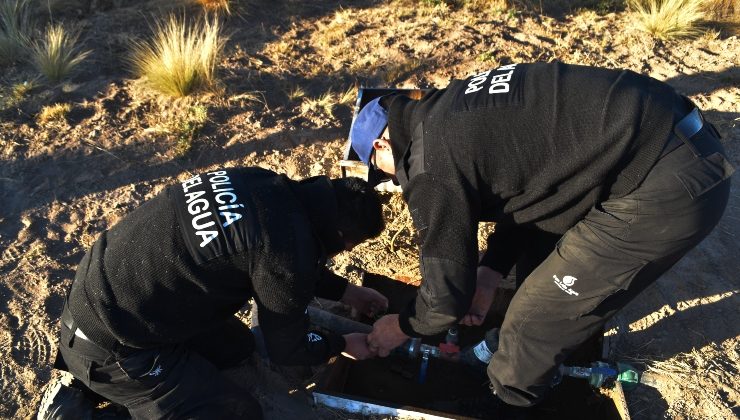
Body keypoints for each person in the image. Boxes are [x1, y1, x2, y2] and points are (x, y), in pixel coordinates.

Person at [350, 62, 734, 410]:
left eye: (379, 169)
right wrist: (491, 270)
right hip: (674, 134)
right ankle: (531, 346)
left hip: (666, 187)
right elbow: (531, 191)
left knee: (530, 321)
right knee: (532, 278)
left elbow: (444, 300)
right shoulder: (447, 110)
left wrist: (401, 327)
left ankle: (511, 397)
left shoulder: (428, 164)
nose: (389, 178)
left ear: (383, 144)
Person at [37, 167, 388, 419]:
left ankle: (108, 386)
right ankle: (73, 409)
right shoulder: (283, 250)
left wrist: (346, 292)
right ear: (340, 235)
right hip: (112, 344)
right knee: (235, 411)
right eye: (348, 246)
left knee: (236, 350)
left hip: (110, 292)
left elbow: (281, 259)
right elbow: (287, 347)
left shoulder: (263, 183)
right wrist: (342, 345)